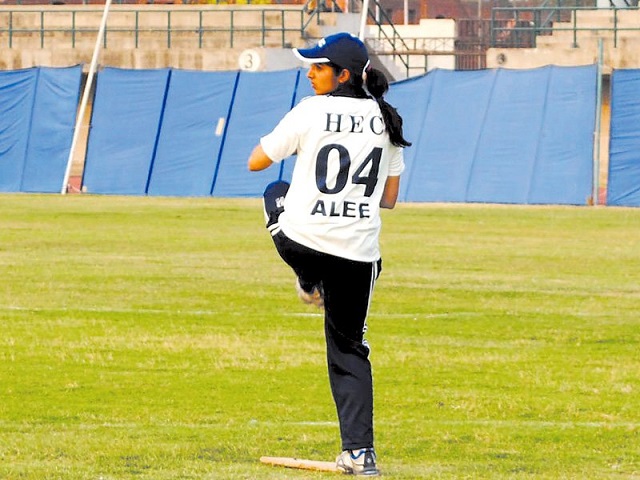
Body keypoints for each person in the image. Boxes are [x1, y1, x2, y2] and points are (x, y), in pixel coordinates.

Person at [247, 32, 410, 476]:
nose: (310, 72)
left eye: (318, 67)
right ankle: (360, 453)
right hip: (358, 254)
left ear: (342, 75)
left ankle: (307, 279)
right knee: (349, 350)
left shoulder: (311, 109)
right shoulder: (386, 118)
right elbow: (389, 199)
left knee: (274, 191)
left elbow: (256, 161)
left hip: (305, 241)